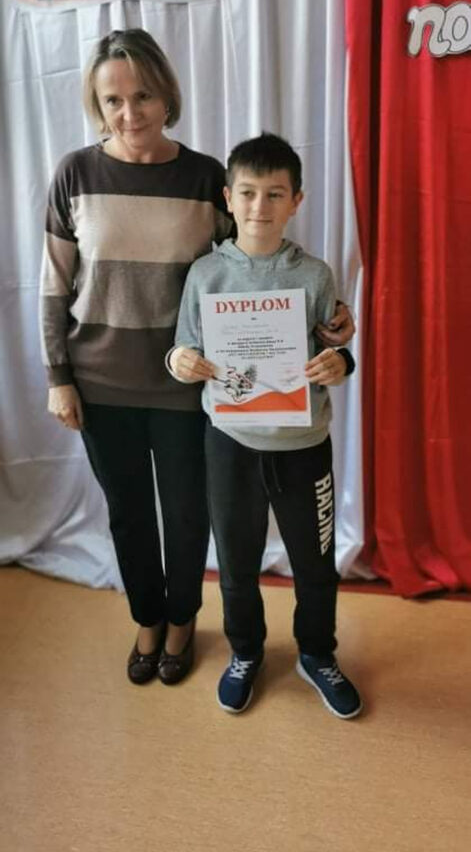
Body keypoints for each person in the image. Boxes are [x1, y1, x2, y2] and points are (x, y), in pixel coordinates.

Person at [40, 30, 354, 688]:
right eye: (113, 100)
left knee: (188, 516)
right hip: (100, 383)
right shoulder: (74, 173)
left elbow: (254, 271)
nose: (130, 112)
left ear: (166, 95)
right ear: (97, 104)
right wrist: (58, 377)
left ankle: (183, 619)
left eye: (143, 95)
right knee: (127, 514)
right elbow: (53, 285)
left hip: (192, 391)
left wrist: (331, 330)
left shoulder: (207, 176)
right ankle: (148, 620)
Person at [167, 132, 362, 718]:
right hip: (229, 443)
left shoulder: (315, 275)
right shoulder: (205, 274)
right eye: (248, 193)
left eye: (275, 194)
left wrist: (340, 363)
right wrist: (180, 362)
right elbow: (183, 347)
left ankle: (317, 653)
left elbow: (335, 347)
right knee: (235, 562)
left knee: (314, 563)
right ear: (228, 198)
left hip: (304, 444)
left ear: (296, 201)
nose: (260, 206)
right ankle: (245, 651)